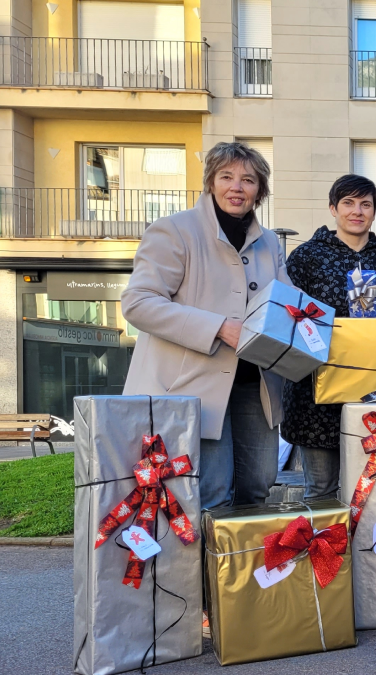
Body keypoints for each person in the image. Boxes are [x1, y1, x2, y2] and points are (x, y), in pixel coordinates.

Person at [122, 141, 288, 511]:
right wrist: (218, 328)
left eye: (248, 179)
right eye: (226, 177)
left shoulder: (270, 242)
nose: (237, 187)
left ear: (259, 190)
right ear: (210, 182)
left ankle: (242, 568)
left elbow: (285, 305)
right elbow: (138, 303)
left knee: (259, 485)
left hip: (254, 386)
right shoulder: (174, 230)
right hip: (194, 386)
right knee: (211, 493)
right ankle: (205, 570)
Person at [281, 174, 376, 499]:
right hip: (315, 396)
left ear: (374, 211)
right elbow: (287, 317)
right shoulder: (305, 258)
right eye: (348, 203)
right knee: (321, 491)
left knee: (374, 492)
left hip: (374, 394)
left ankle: (366, 552)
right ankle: (325, 551)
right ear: (333, 208)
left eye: (365, 204)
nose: (357, 211)